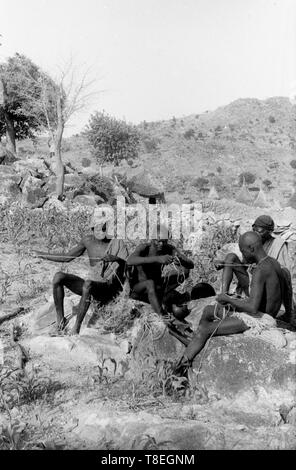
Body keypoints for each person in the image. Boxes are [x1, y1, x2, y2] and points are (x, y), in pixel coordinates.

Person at [175, 231, 290, 373]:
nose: (243, 255)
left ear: (251, 249)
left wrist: (228, 299)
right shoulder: (273, 262)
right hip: (262, 313)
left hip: (260, 319)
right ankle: (195, 342)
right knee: (208, 311)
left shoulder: (260, 270)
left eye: (243, 251)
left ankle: (179, 370)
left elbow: (252, 308)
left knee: (205, 329)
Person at [35, 219, 128, 334]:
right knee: (58, 277)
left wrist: (117, 259)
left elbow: (129, 267)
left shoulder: (117, 242)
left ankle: (77, 327)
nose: (101, 232)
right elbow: (67, 257)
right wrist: (42, 255)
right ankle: (60, 320)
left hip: (108, 288)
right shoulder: (87, 240)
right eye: (97, 229)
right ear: (92, 229)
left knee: (88, 284)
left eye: (104, 229)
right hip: (90, 286)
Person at [215, 215, 292, 297]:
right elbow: (245, 263)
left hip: (266, 288)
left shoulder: (278, 246)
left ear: (269, 231)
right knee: (231, 257)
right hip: (250, 282)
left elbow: (284, 273)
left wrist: (262, 270)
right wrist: (224, 263)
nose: (256, 234)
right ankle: (223, 296)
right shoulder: (253, 241)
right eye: (254, 230)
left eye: (260, 232)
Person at [127, 229, 194, 317]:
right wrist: (157, 259)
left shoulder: (168, 248)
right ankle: (161, 315)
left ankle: (160, 297)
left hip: (156, 285)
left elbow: (191, 265)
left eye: (164, 241)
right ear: (152, 239)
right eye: (158, 241)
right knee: (149, 283)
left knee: (184, 271)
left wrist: (181, 260)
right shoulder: (144, 248)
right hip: (139, 289)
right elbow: (130, 261)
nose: (161, 244)